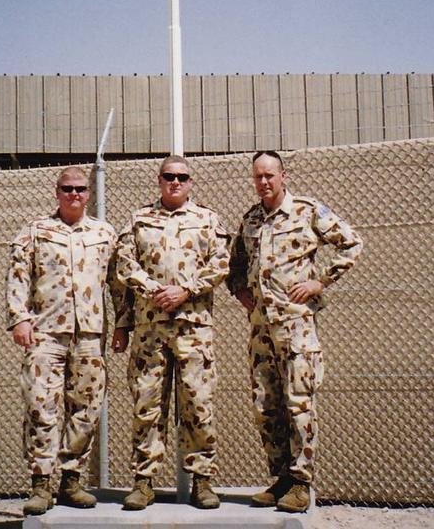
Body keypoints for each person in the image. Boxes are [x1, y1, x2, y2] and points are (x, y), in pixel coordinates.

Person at [227, 150, 363, 514]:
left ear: (283, 175)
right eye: (258, 177)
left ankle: (302, 482)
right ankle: (281, 478)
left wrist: (320, 282)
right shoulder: (252, 218)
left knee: (299, 402)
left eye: (269, 175)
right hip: (261, 330)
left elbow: (351, 243)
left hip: (296, 326)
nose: (264, 182)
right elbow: (236, 260)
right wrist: (240, 290)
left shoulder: (307, 210)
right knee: (266, 405)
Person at [6, 166, 131, 515]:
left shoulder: (104, 234)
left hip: (90, 335)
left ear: (89, 193)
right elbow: (17, 278)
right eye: (67, 188)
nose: (74, 194)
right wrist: (20, 318)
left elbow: (118, 284)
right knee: (41, 407)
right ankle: (41, 483)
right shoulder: (36, 231)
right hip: (46, 334)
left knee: (86, 409)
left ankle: (71, 479)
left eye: (80, 189)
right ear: (57, 191)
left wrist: (122, 325)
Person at [114, 156, 230, 511]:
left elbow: (221, 262)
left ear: (190, 182)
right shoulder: (139, 219)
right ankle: (143, 481)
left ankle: (203, 481)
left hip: (193, 328)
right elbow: (124, 264)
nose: (175, 182)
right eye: (169, 177)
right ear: (159, 180)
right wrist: (152, 289)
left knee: (197, 404)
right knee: (147, 405)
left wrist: (186, 289)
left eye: (182, 177)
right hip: (151, 329)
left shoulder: (207, 220)